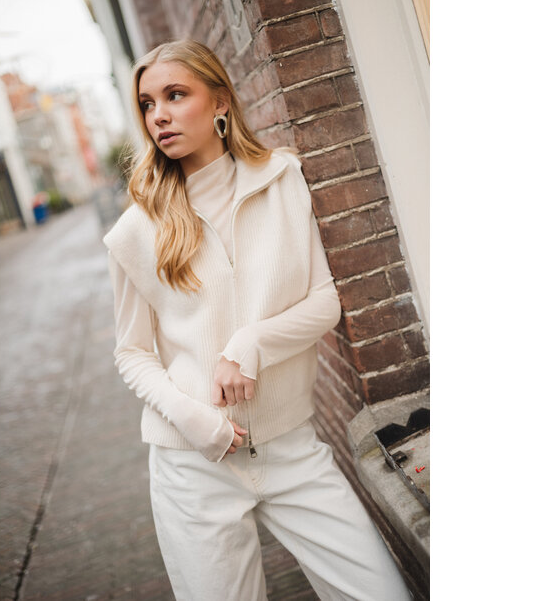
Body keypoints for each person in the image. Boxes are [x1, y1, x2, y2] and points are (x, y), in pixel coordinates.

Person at [103, 38, 413, 601]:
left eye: (176, 95)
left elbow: (324, 300)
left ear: (220, 101)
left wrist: (250, 343)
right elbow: (133, 352)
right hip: (193, 467)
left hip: (292, 448)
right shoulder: (135, 230)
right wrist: (192, 419)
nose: (159, 115)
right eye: (148, 104)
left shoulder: (281, 180)